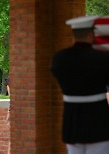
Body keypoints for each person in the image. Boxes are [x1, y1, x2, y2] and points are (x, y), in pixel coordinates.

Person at [51, 16, 109, 154]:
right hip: (98, 121)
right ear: (90, 34)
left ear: (74, 35)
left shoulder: (59, 59)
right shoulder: (102, 59)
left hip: (72, 122)